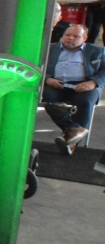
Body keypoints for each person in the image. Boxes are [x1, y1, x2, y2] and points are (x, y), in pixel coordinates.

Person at [42, 24, 105, 155]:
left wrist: (93, 82)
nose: (70, 38)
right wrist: (47, 79)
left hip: (84, 85)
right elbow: (38, 66)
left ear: (85, 38)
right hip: (57, 84)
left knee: (85, 102)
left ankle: (72, 143)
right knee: (48, 98)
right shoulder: (49, 49)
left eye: (76, 36)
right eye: (67, 35)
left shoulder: (98, 51)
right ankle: (73, 129)